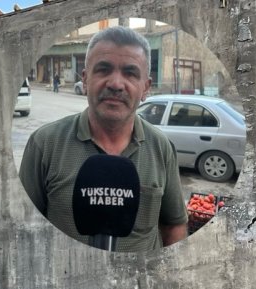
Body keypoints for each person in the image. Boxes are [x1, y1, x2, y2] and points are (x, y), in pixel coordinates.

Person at [19, 26, 186, 252]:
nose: (116, 84)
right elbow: (23, 229)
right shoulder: (44, 144)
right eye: (103, 69)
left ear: (145, 88)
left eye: (130, 73)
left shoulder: (161, 147)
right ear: (85, 79)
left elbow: (174, 225)